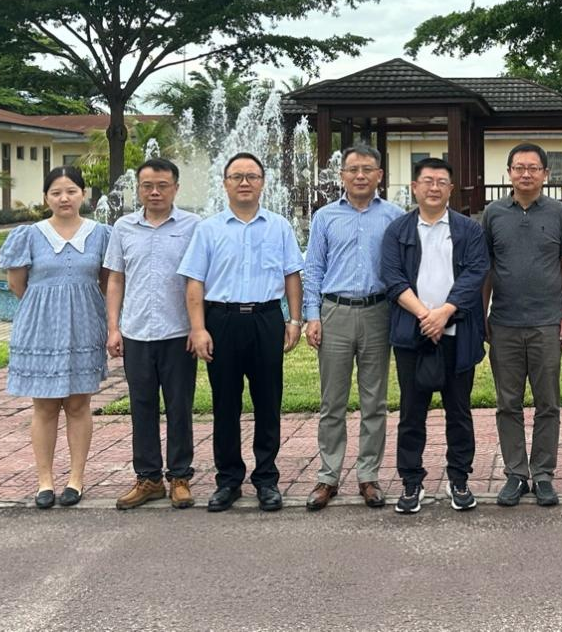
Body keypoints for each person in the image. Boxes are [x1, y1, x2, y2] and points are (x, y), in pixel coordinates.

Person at [177, 152, 304, 513]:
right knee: (225, 404)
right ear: (225, 183)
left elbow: (292, 275)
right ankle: (228, 480)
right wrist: (198, 328)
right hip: (223, 320)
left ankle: (267, 479)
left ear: (263, 182)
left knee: (268, 402)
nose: (244, 182)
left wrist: (294, 320)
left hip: (266, 319)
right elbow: (194, 282)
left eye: (252, 176)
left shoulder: (279, 226)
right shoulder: (209, 229)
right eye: (237, 177)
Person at [0, 165, 111, 509]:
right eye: (56, 192)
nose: (64, 198)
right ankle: (44, 481)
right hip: (40, 328)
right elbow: (17, 284)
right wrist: (47, 307)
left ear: (83, 195)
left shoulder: (101, 234)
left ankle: (76, 479)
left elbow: (107, 283)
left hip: (85, 325)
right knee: (45, 406)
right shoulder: (29, 235)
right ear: (46, 197)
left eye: (71, 191)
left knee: (78, 404)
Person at [381, 157, 489, 514]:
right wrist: (425, 316)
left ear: (451, 189)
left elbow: (475, 273)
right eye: (427, 181)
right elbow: (393, 277)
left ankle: (459, 479)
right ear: (414, 187)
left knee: (459, 412)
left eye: (442, 182)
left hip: (458, 333)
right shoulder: (398, 230)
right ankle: (411, 482)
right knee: (412, 412)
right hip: (412, 335)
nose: (434, 187)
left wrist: (444, 313)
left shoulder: (468, 230)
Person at [302, 144, 403, 511]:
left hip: (378, 312)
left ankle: (368, 476)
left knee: (375, 401)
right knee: (333, 401)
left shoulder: (394, 216)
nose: (360, 175)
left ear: (379, 175)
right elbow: (313, 268)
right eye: (353, 169)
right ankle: (328, 476)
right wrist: (312, 315)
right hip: (335, 313)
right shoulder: (325, 217)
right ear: (342, 175)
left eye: (367, 169)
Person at [103, 157, 201, 510]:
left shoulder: (193, 226)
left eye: (162, 185)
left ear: (176, 188)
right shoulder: (123, 227)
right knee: (141, 406)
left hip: (179, 332)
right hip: (137, 332)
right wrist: (114, 327)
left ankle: (180, 477)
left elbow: (199, 280)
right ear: (139, 189)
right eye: (147, 186)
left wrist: (198, 326)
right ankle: (148, 478)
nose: (155, 192)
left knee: (179, 407)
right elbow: (116, 279)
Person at [483, 142, 562, 507]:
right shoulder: (493, 214)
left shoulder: (559, 213)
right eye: (519, 167)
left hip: (547, 324)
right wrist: (482, 314)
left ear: (545, 174)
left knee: (547, 402)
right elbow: (487, 268)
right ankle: (516, 473)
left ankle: (543, 474)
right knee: (508, 403)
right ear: (509, 173)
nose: (526, 173)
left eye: (533, 168)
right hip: (504, 323)